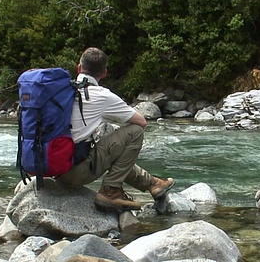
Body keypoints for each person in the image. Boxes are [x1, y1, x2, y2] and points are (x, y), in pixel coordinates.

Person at [57, 47, 174, 211]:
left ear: (78, 68)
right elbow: (140, 122)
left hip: (50, 167)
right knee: (134, 133)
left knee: (111, 147)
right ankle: (111, 191)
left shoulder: (60, 91)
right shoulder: (102, 95)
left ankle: (153, 184)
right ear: (104, 73)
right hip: (75, 172)